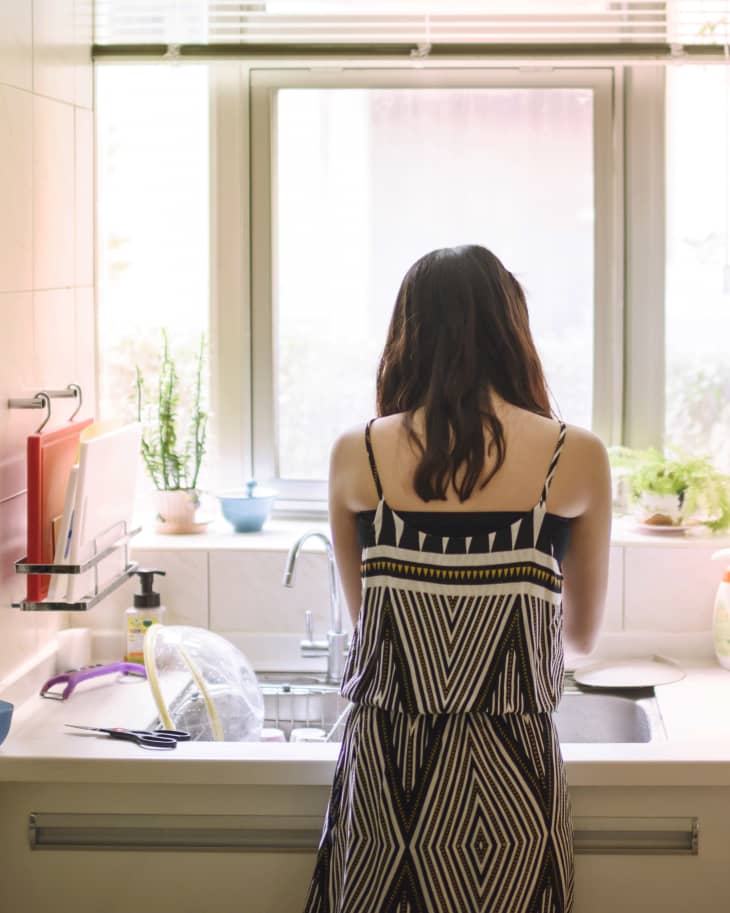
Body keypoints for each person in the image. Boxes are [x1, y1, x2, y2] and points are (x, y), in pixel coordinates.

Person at [303, 244, 612, 913]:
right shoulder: (576, 456)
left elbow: (367, 625)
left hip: (390, 784)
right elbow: (581, 640)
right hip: (514, 788)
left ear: (406, 338)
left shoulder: (356, 455)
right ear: (512, 333)